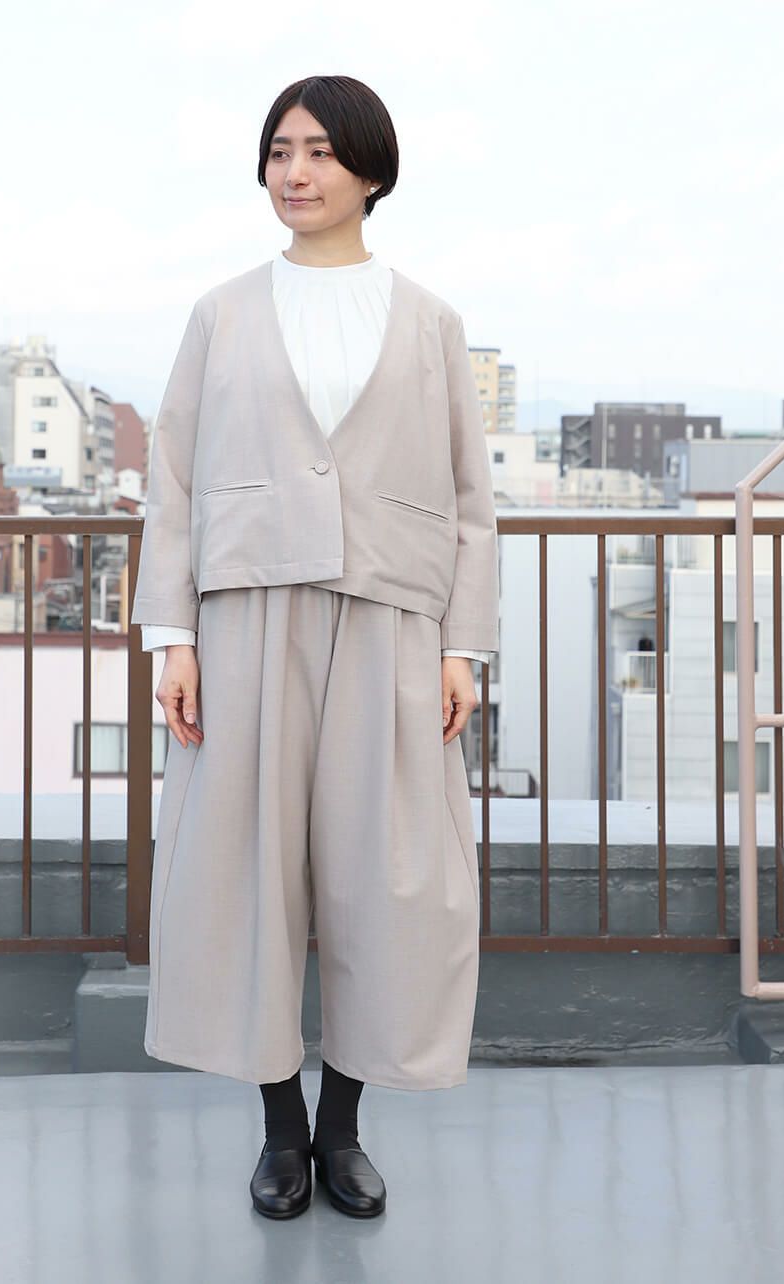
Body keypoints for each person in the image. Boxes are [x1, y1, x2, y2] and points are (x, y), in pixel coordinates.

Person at [133, 74, 499, 1220]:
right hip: (247, 614)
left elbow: (470, 497)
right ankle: (279, 1134)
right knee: (248, 869)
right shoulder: (221, 313)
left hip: (391, 614)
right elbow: (171, 478)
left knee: (383, 878)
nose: (294, 173)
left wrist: (462, 647)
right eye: (279, 151)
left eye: (320, 153)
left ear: (370, 171)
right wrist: (171, 635)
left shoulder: (429, 321)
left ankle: (342, 1128)